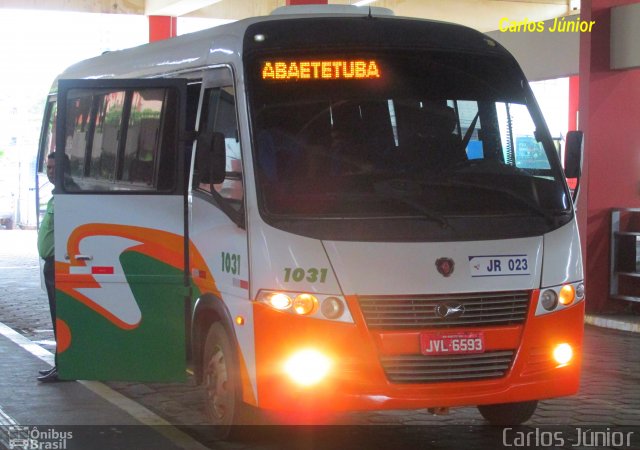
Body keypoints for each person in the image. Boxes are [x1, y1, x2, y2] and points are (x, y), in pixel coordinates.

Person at [37, 152, 60, 382]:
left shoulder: (65, 195)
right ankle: (60, 364)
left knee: (60, 318)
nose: (51, 171)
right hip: (50, 266)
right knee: (56, 318)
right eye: (49, 167)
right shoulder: (55, 195)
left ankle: (64, 366)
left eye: (55, 167)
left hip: (59, 265)